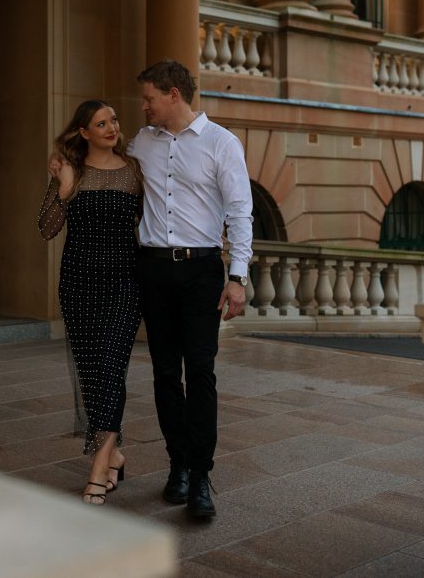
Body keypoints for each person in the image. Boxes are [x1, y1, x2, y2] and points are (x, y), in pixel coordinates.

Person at [128, 60, 253, 519]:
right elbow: (105, 165)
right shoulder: (141, 142)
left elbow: (240, 213)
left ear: (174, 94)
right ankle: (176, 465)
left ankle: (201, 475)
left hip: (201, 270)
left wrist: (237, 277)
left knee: (200, 371)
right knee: (164, 372)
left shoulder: (222, 143)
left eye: (149, 98)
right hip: (154, 271)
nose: (143, 106)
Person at [38, 100, 143, 505]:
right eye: (101, 123)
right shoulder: (70, 170)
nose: (112, 127)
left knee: (111, 368)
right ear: (83, 132)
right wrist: (64, 189)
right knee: (93, 373)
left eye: (114, 120)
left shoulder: (134, 171)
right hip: (78, 285)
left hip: (125, 284)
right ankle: (114, 452)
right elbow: (47, 228)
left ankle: (99, 468)